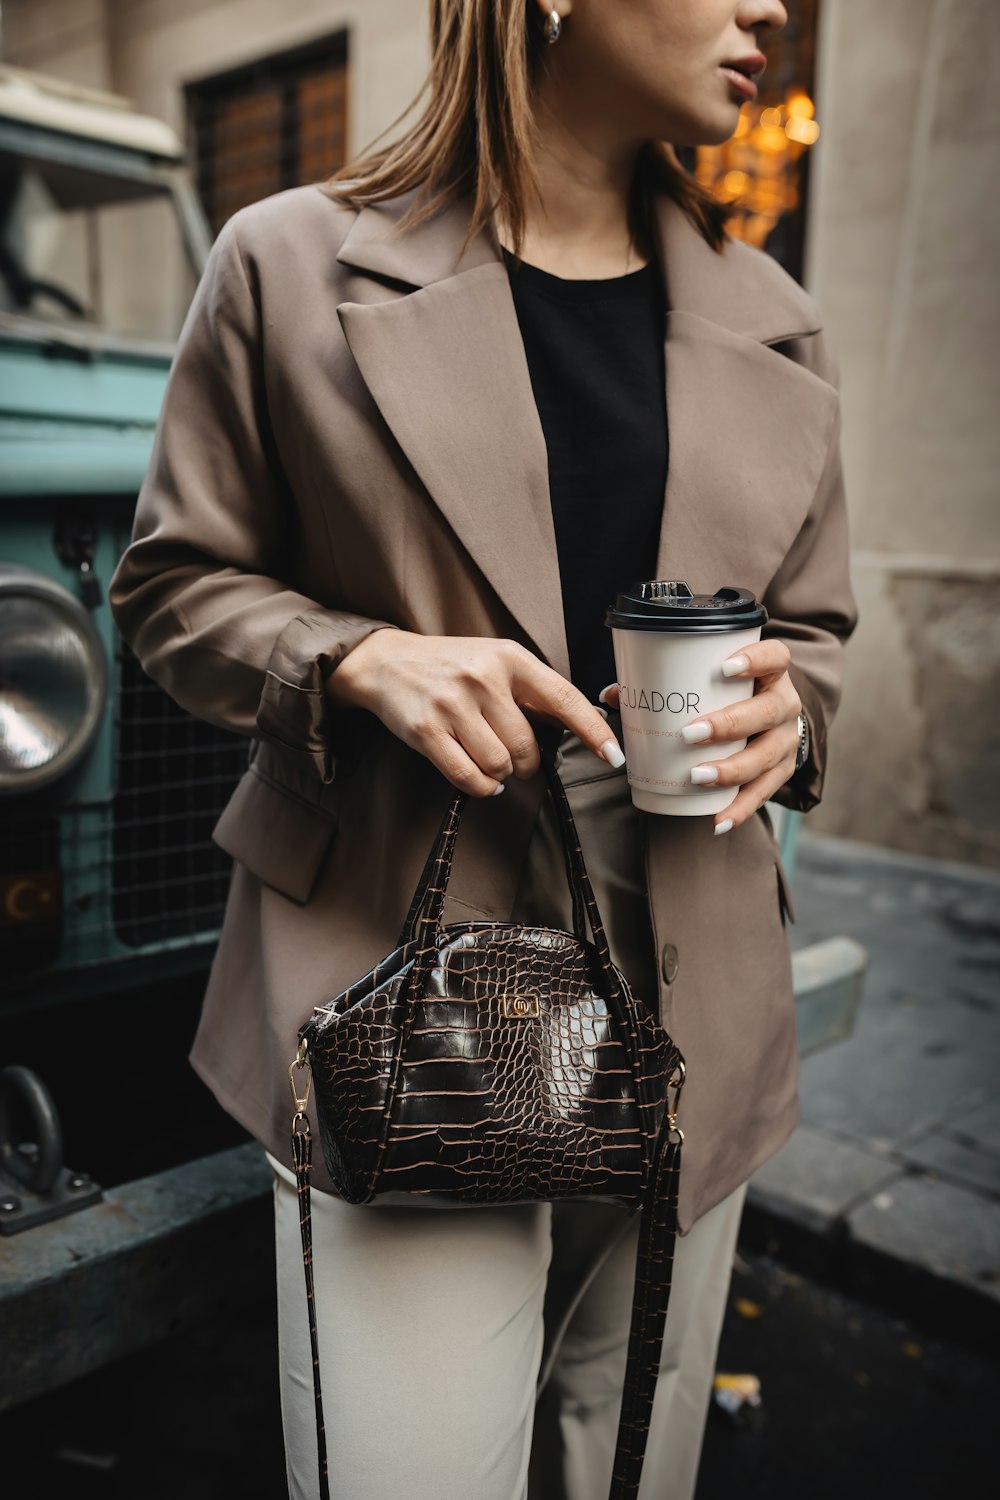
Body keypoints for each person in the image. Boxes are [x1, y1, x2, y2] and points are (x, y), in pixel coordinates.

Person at [108, 2, 857, 1496]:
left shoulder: (770, 308)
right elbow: (172, 589)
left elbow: (813, 631)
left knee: (626, 1462)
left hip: (693, 975)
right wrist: (358, 656)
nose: (772, 7)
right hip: (402, 979)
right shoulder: (289, 260)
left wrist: (799, 709)